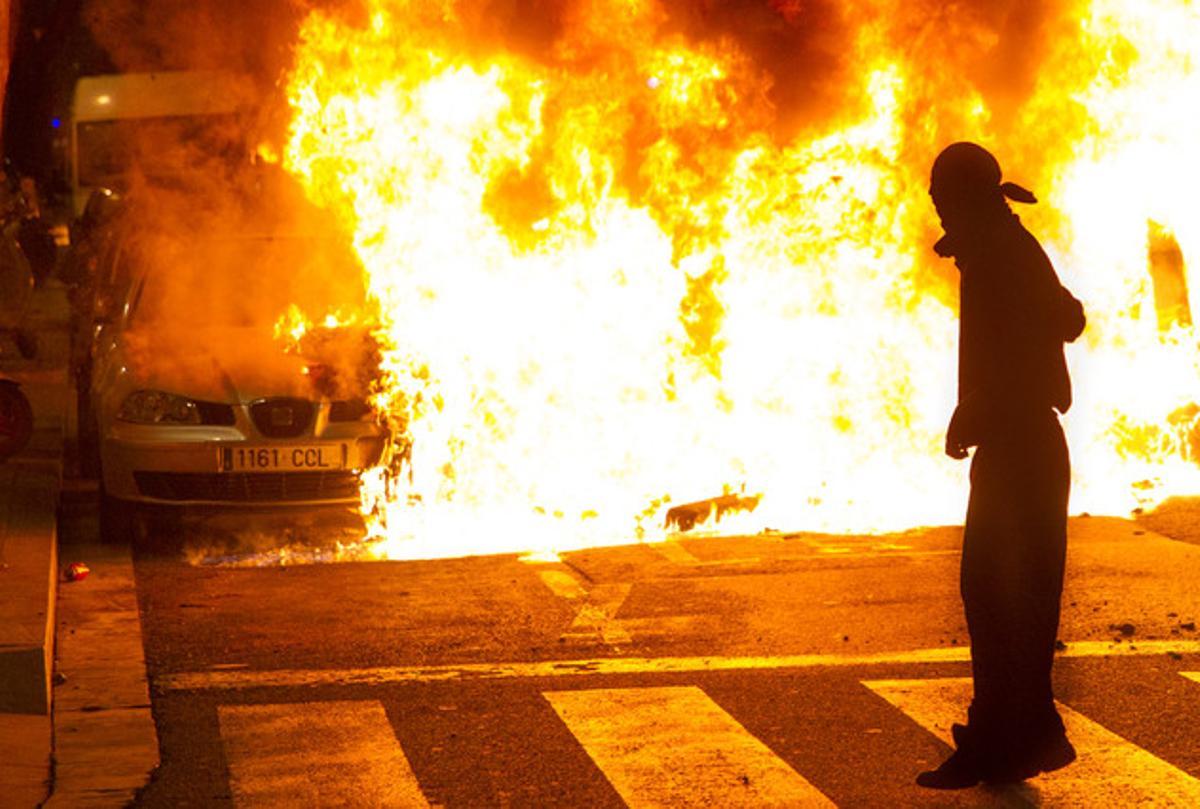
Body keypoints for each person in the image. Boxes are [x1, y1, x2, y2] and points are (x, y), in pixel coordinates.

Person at [918, 142, 1085, 789]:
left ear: (966, 195)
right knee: (1006, 596)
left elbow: (1055, 324)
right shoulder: (1000, 249)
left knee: (996, 592)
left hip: (1022, 445)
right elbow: (1062, 316)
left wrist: (976, 410)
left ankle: (1005, 737)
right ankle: (1022, 733)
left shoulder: (1003, 256)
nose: (938, 212)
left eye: (942, 199)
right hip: (1019, 442)